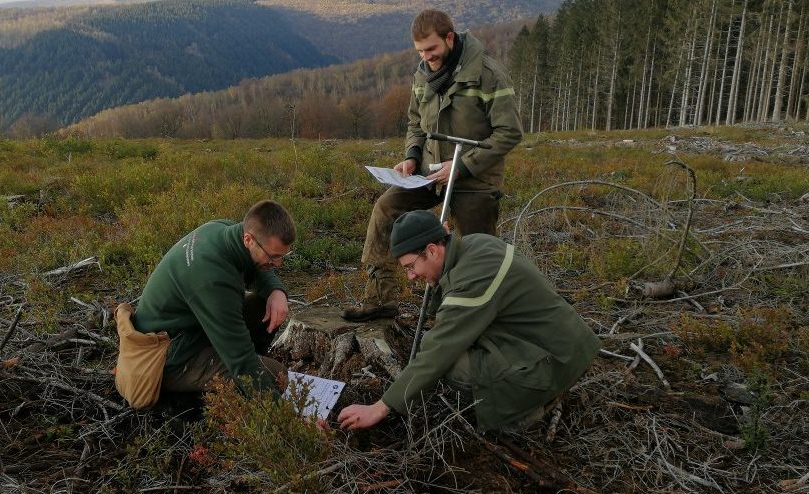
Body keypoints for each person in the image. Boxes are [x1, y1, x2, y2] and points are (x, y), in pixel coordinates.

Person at [337, 210, 599, 432]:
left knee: (455, 366)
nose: (411, 277)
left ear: (432, 250)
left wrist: (381, 407)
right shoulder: (474, 244)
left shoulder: (472, 280)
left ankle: (525, 410)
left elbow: (439, 351)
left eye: (410, 266)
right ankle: (536, 390)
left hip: (558, 359)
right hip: (558, 344)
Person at [343, 9, 523, 322]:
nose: (427, 57)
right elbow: (416, 122)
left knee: (475, 250)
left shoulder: (488, 73)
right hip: (430, 175)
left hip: (475, 179)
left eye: (432, 49)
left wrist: (463, 166)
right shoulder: (422, 74)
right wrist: (412, 155)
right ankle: (379, 300)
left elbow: (510, 132)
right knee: (386, 209)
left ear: (449, 38)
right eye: (420, 52)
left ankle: (468, 316)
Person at [130, 200, 295, 396]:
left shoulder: (222, 228)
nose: (278, 264)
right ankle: (194, 398)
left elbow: (258, 268)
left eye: (282, 255)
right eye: (273, 256)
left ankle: (246, 363)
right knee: (277, 376)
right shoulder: (213, 281)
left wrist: (276, 291)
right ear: (249, 240)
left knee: (263, 304)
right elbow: (240, 359)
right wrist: (288, 419)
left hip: (192, 330)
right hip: (167, 358)